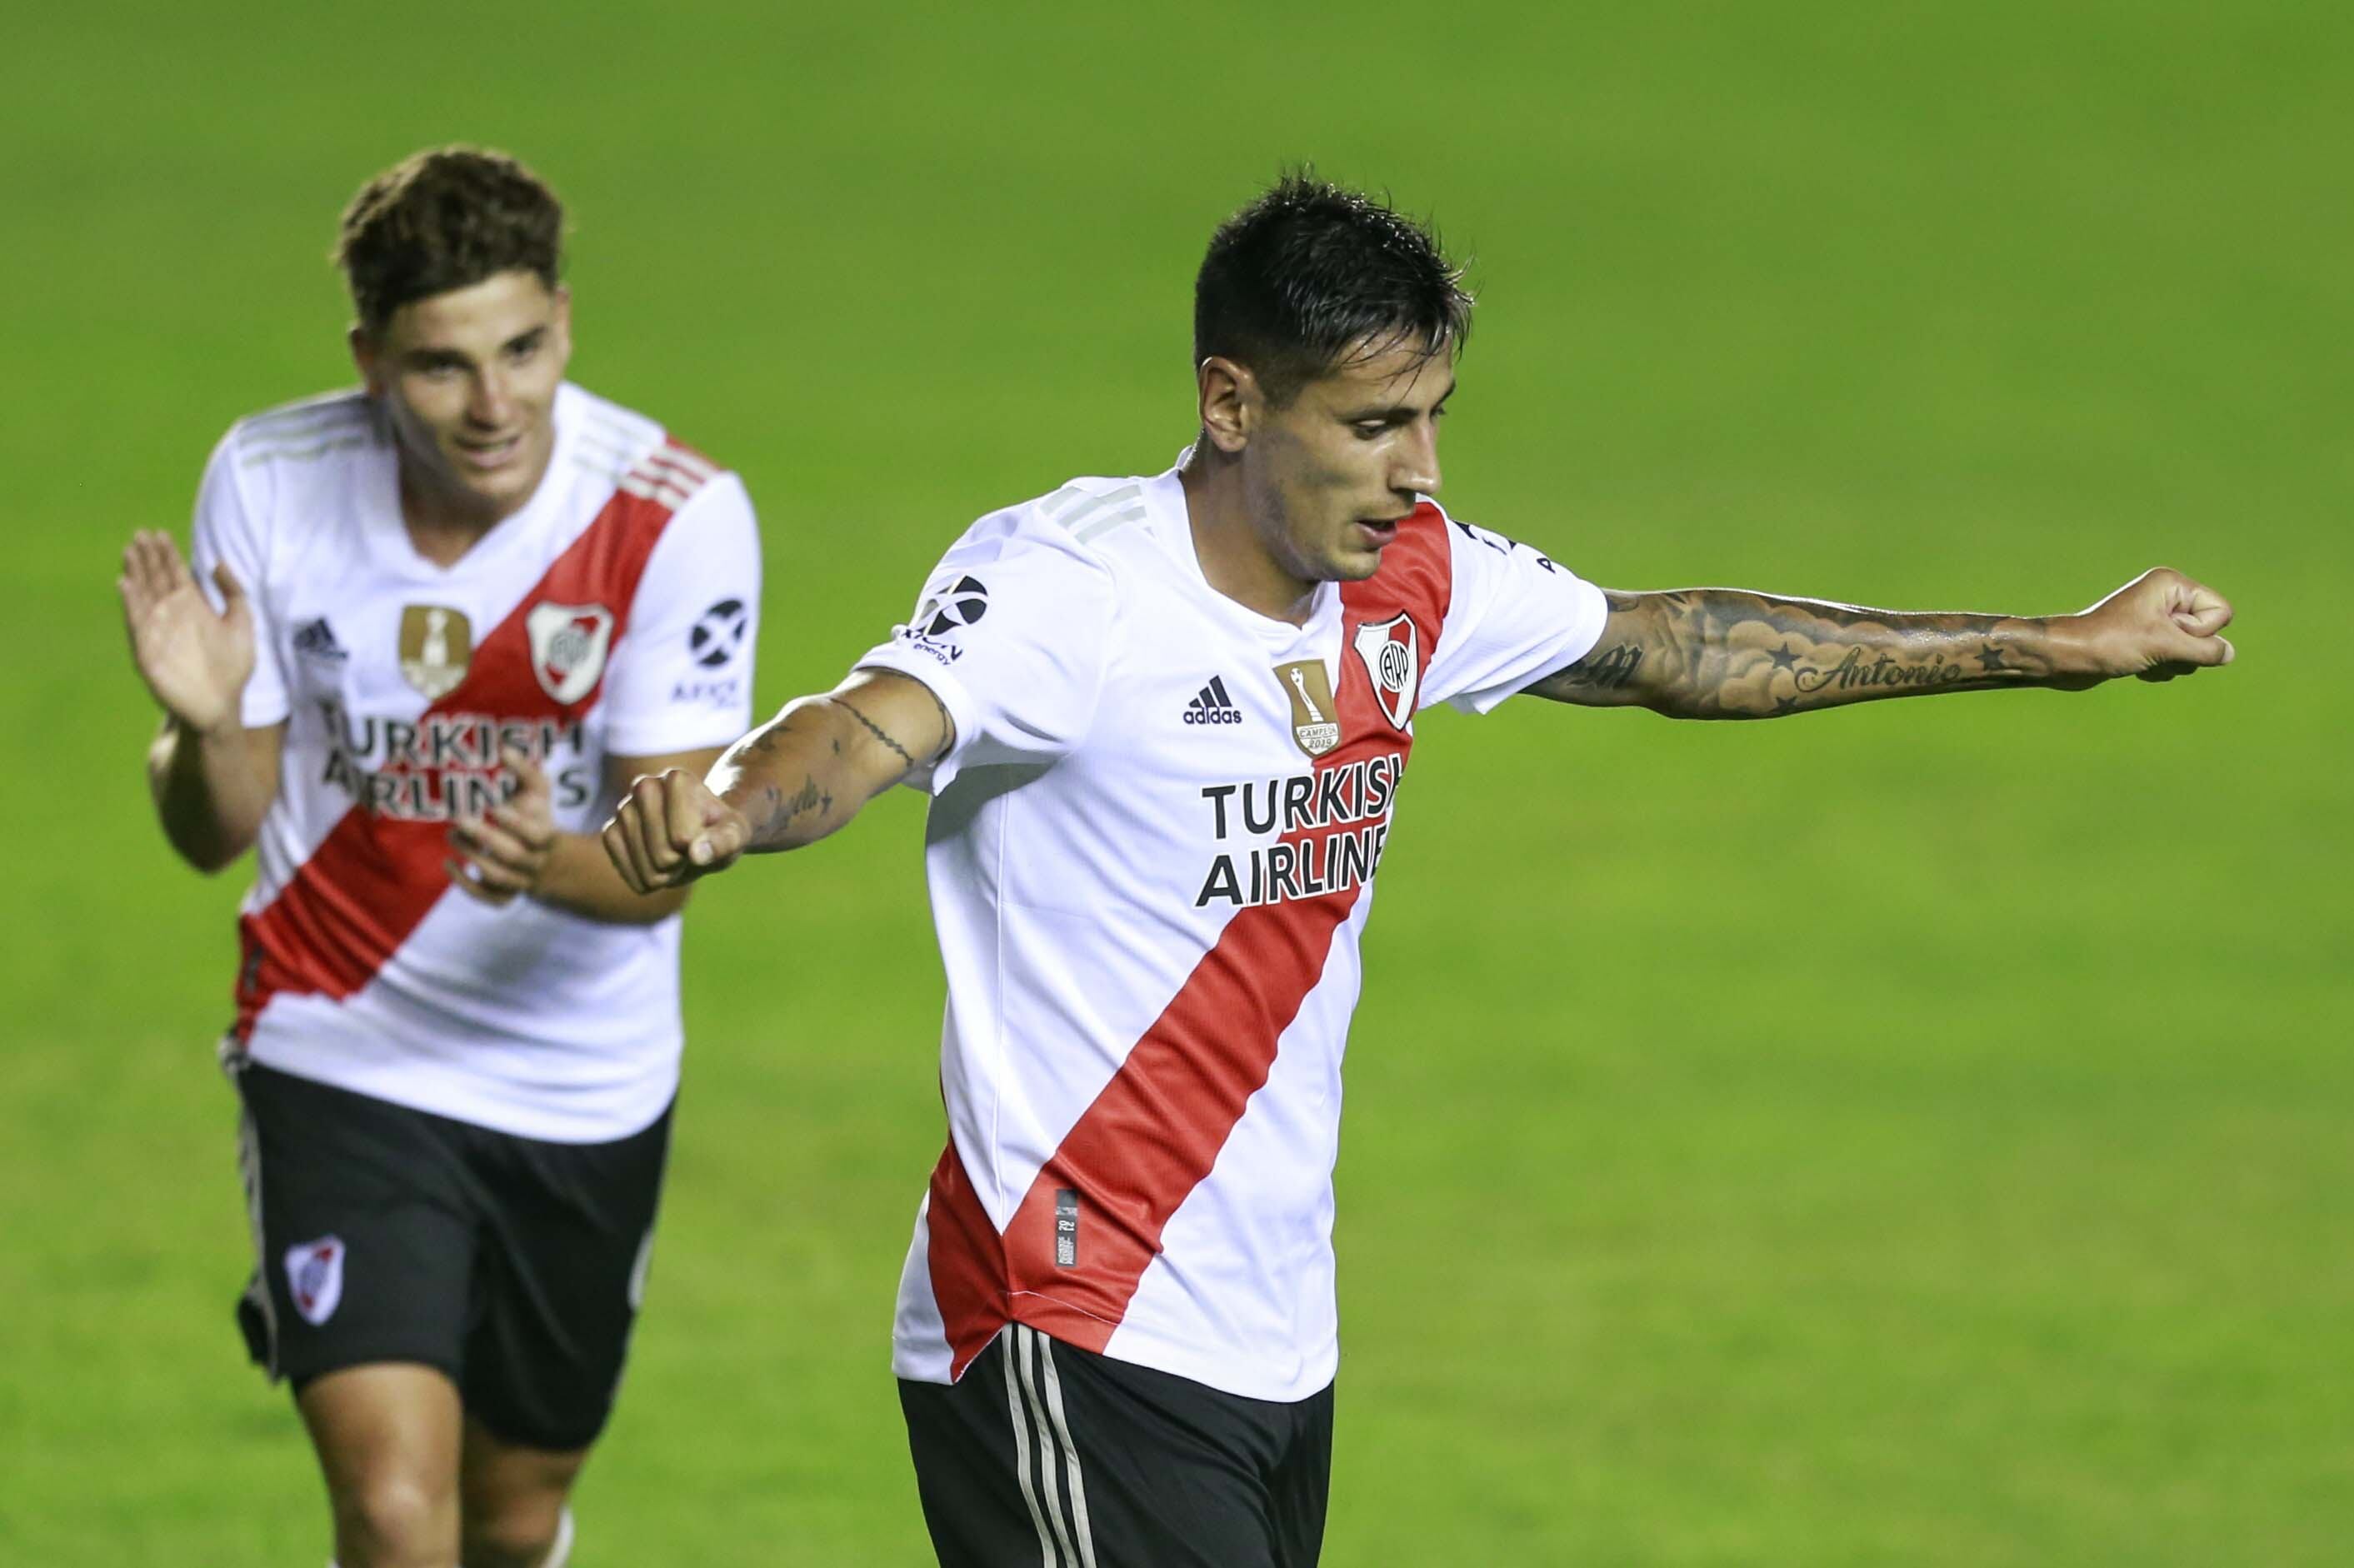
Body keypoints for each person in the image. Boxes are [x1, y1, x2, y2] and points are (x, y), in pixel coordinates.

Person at [602, 175, 2232, 1568]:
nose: (1422, 470)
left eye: (1435, 415)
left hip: (1273, 1328)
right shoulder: (1067, 588)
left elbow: (1676, 647)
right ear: (1233, 404)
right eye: (1375, 424)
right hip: (1068, 1311)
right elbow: (864, 725)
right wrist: (733, 801)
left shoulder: (1410, 583)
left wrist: (2055, 644)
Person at [117, 146, 761, 1568]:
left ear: (565, 324)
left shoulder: (671, 516)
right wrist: (206, 723)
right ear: (368, 361)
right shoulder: (271, 478)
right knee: (395, 1516)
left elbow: (674, 858)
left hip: (579, 1079)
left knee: (509, 1516)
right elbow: (213, 827)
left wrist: (547, 863)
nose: (492, 407)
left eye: (521, 350)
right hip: (339, 1050)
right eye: (441, 367)